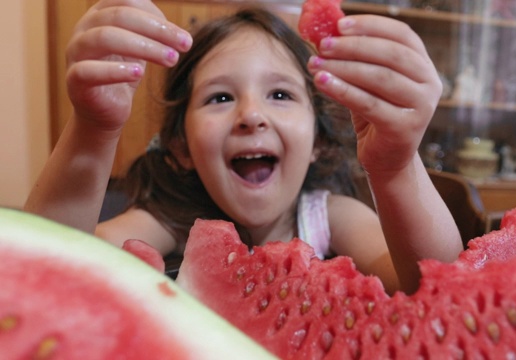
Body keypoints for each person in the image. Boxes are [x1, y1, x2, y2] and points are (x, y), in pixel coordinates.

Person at [24, 0, 462, 294]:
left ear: (317, 142)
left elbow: (433, 285)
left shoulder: (328, 216)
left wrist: (396, 166)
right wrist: (93, 130)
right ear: (180, 146)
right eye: (220, 98)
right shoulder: (174, 223)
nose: (251, 115)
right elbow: (47, 267)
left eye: (280, 95)